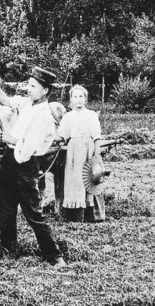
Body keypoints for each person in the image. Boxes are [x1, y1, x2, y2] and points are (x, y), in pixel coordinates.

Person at [0, 66, 66, 267]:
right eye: (29, 84)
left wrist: (11, 138)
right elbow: (5, 100)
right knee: (6, 208)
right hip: (10, 160)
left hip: (26, 164)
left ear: (45, 90)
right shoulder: (26, 103)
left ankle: (54, 255)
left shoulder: (43, 115)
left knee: (33, 213)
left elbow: (32, 147)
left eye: (34, 86)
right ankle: (9, 251)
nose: (29, 89)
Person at [54, 85, 105, 222]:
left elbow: (96, 138)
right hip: (73, 152)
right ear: (71, 100)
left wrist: (96, 157)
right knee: (74, 180)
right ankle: (74, 215)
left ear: (85, 99)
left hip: (88, 149)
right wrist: (48, 138)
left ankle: (92, 215)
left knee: (89, 178)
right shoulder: (67, 117)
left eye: (80, 96)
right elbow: (62, 136)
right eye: (75, 97)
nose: (78, 100)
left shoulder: (91, 115)